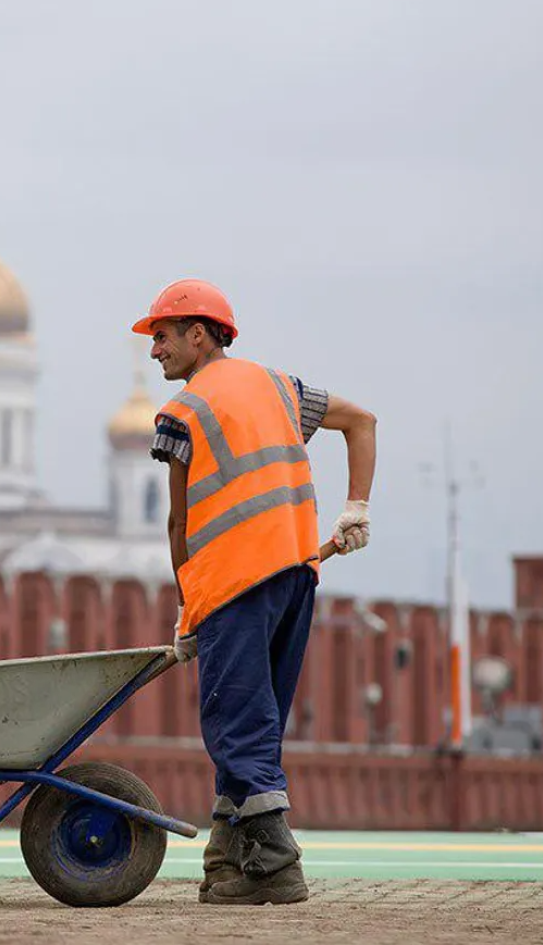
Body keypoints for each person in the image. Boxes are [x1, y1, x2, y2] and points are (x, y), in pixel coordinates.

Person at [134, 279, 377, 906]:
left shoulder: (181, 413)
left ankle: (275, 863)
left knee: (235, 721)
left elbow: (179, 523)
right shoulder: (281, 387)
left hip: (234, 585)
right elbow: (363, 421)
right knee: (255, 720)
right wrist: (357, 508)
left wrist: (188, 610)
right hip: (297, 575)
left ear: (200, 333)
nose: (154, 349)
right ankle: (228, 857)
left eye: (162, 335)